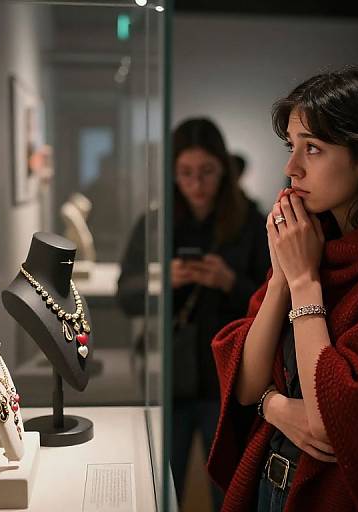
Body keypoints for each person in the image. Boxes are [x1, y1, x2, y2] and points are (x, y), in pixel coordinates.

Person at [207, 65, 358, 512]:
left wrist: (303, 283)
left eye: (312, 149)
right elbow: (245, 385)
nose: (290, 167)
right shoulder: (316, 241)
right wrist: (282, 279)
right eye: (292, 146)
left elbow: (334, 422)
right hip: (273, 484)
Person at [117, 118, 270, 510]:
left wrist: (229, 281)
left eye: (206, 173)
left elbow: (274, 301)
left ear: (225, 169)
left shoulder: (251, 223)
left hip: (231, 379)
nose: (197, 185)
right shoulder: (156, 223)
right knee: (161, 488)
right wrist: (162, 279)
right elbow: (126, 295)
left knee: (231, 490)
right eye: (185, 174)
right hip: (170, 375)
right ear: (172, 172)